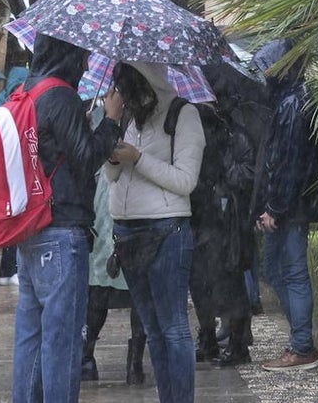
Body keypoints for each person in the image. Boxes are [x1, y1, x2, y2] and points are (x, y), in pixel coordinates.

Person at [11, 34, 124, 403]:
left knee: (31, 335)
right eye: (83, 56)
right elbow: (87, 158)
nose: (88, 64)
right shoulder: (61, 96)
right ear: (67, 55)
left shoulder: (31, 92)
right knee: (62, 338)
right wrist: (110, 121)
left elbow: (52, 151)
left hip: (31, 229)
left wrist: (83, 122)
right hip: (61, 231)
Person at [105, 61, 205, 403]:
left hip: (167, 230)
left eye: (131, 92)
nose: (128, 101)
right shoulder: (127, 116)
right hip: (127, 230)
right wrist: (113, 154)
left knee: (173, 328)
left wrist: (138, 157)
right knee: (151, 328)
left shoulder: (183, 114)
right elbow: (111, 178)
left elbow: (186, 181)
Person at [254, 39, 318, 372]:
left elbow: (290, 164)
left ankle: (302, 347)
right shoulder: (289, 102)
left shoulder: (294, 105)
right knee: (276, 269)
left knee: (292, 272)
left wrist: (275, 209)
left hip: (289, 207)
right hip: (286, 204)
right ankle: (299, 342)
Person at [188, 64, 262, 368]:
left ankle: (237, 342)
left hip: (225, 217)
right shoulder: (196, 126)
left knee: (228, 280)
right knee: (200, 281)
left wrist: (221, 174)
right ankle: (207, 337)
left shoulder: (235, 133)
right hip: (199, 213)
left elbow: (245, 173)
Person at [82, 169, 146, 384]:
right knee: (135, 291)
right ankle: (133, 366)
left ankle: (88, 360)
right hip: (128, 195)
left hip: (116, 194)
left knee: (102, 289)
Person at [0, 66, 29, 287]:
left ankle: (7, 269)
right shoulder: (23, 99)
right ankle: (12, 268)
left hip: (1, 166)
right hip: (17, 166)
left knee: (9, 218)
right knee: (19, 216)